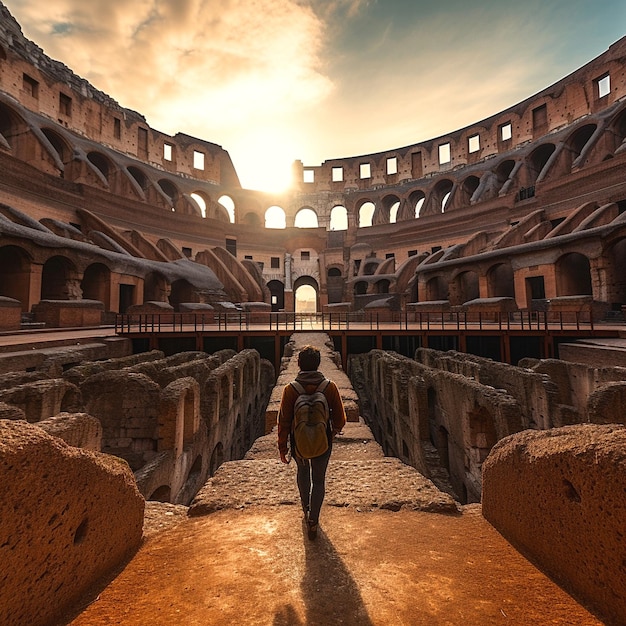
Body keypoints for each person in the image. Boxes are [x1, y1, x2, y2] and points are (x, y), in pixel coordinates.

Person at [278, 345, 346, 539]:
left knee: (302, 472)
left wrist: (283, 448)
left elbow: (283, 421)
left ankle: (305, 508)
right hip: (323, 441)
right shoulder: (329, 387)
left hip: (298, 443)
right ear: (318, 364)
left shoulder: (290, 389)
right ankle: (313, 520)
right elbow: (341, 420)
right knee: (319, 480)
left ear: (298, 364)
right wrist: (331, 433)